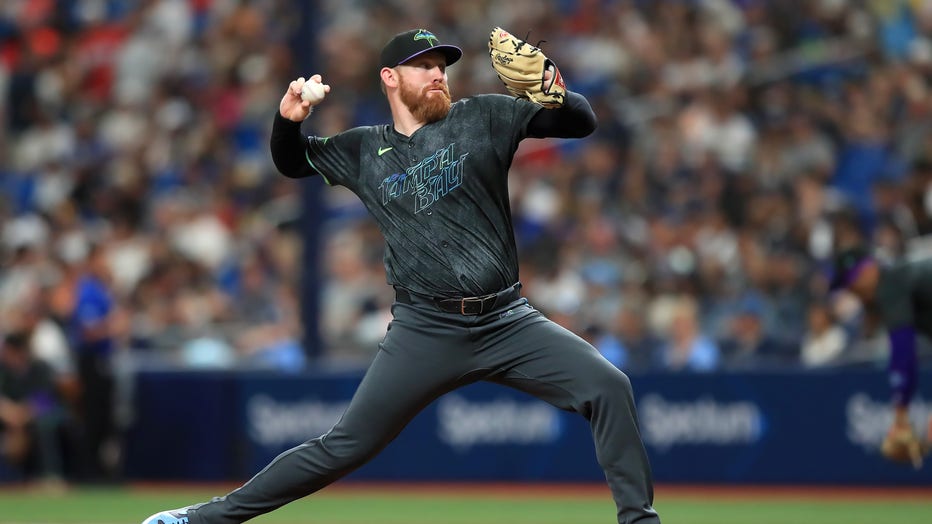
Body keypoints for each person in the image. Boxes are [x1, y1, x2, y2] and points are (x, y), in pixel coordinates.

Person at [142, 27, 660, 524]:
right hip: (426, 329)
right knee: (345, 446)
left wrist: (555, 93)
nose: (438, 75)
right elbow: (291, 162)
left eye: (442, 67)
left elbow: (580, 123)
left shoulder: (483, 115)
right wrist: (287, 120)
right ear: (390, 77)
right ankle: (207, 518)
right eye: (424, 67)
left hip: (508, 321)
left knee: (609, 386)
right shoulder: (364, 148)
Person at [828, 244, 932, 467]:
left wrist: (901, 412)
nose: (854, 292)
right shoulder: (906, 278)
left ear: (869, 270)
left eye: (852, 284)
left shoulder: (891, 283)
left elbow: (903, 350)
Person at [0, 331, 66, 486]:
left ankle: (50, 475)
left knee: (44, 425)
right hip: (10, 416)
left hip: (39, 414)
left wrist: (22, 415)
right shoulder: (3, 371)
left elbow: (45, 399)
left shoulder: (40, 367)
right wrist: (9, 413)